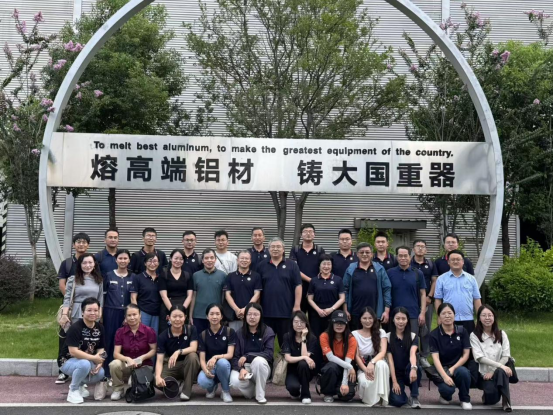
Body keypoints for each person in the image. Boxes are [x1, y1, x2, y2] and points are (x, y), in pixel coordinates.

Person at [56, 234, 92, 385]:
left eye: (84, 242)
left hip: (90, 309)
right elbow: (62, 285)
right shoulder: (67, 263)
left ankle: (83, 370)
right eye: (78, 242)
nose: (81, 244)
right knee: (66, 337)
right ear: (73, 245)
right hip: (71, 308)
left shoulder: (92, 261)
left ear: (88, 245)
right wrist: (71, 302)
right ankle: (63, 370)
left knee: (86, 339)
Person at [60, 298, 106, 404]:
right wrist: (94, 358)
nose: (93, 313)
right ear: (82, 312)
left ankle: (80, 385)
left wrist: (100, 362)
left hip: (86, 360)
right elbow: (73, 352)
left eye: (96, 310)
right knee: (85, 364)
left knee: (101, 373)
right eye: (89, 310)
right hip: (67, 361)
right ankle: (73, 390)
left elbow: (101, 349)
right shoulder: (75, 328)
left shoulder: (100, 328)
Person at [257, 238, 302, 346]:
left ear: (283, 249)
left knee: (286, 344)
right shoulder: (261, 266)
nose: (275, 249)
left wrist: (297, 306)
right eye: (273, 247)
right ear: (268, 249)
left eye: (278, 247)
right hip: (266, 312)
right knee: (265, 343)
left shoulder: (292, 265)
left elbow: (298, 285)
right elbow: (257, 288)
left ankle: (286, 358)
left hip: (286, 312)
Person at [109, 304, 157, 401]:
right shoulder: (120, 332)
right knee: (114, 364)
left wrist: (142, 358)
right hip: (128, 365)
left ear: (140, 315)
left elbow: (153, 350)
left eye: (135, 314)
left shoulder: (149, 331)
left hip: (144, 365)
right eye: (129, 315)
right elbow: (116, 354)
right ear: (125, 317)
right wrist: (127, 359)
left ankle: (133, 382)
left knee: (134, 383)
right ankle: (118, 389)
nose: (132, 318)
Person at [470, 305, 514, 412]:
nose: (487, 318)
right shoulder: (474, 335)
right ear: (479, 318)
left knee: (502, 371)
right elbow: (479, 358)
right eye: (484, 315)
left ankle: (506, 402)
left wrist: (494, 370)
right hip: (484, 374)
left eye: (490, 315)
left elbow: (505, 356)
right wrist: (499, 367)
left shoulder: (502, 334)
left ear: (494, 317)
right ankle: (489, 394)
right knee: (491, 399)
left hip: (499, 372)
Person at [430, 303, 473, 410]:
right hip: (442, 368)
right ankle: (445, 396)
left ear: (454, 314)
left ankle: (464, 399)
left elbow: (466, 354)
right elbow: (435, 358)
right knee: (447, 389)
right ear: (439, 316)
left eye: (450, 313)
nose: (447, 316)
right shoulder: (434, 334)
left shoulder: (462, 331)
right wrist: (445, 376)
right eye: (443, 313)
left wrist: (453, 368)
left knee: (464, 372)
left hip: (458, 366)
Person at [230, 303, 275, 404]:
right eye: (249, 314)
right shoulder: (239, 333)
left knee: (258, 361)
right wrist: (241, 369)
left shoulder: (268, 331)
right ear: (245, 316)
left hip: (261, 367)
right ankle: (253, 391)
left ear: (261, 316)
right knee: (234, 381)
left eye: (255, 314)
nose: (252, 317)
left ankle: (260, 395)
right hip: (244, 367)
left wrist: (247, 356)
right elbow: (235, 357)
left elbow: (269, 354)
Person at [155, 306, 201, 401]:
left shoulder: (191, 329)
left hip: (188, 364)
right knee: (155, 380)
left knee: (193, 356)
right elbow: (159, 360)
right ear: (169, 318)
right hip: (172, 365)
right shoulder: (163, 336)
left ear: (185, 317)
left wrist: (178, 352)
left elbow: (193, 348)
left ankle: (186, 391)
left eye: (180, 316)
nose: (177, 319)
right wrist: (158, 376)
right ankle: (175, 384)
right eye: (174, 316)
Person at [343, 242, 391, 331]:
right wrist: (345, 310)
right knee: (355, 337)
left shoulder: (379, 268)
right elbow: (345, 289)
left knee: (374, 337)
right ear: (357, 254)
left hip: (375, 311)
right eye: (362, 252)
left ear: (372, 254)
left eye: (367, 252)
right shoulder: (351, 268)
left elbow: (386, 289)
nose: (364, 254)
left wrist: (386, 311)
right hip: (355, 312)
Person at [434, 250, 482, 334]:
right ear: (448, 262)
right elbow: (438, 299)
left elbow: (476, 299)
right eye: (452, 260)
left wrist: (479, 317)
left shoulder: (471, 279)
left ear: (463, 262)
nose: (455, 261)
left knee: (469, 341)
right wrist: (439, 316)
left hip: (468, 319)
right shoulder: (441, 279)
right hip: (448, 319)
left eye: (458, 259)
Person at [102, 249, 133, 378]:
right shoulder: (109, 275)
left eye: (125, 258)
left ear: (129, 260)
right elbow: (103, 296)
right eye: (120, 258)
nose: (123, 261)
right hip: (111, 312)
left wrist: (128, 315)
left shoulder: (133, 277)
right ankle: (107, 372)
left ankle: (126, 371)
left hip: (127, 313)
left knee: (127, 340)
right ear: (116, 260)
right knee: (109, 340)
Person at [197, 304, 236, 403]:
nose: (214, 317)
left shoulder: (229, 332)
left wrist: (216, 357)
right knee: (202, 381)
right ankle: (212, 387)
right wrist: (206, 371)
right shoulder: (203, 335)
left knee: (222, 362)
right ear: (207, 316)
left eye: (217, 314)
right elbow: (202, 359)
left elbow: (230, 354)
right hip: (210, 367)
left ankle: (225, 391)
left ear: (221, 316)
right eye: (212, 314)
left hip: (225, 366)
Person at [353, 307, 390, 407]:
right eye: (364, 318)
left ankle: (382, 398)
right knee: (365, 383)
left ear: (374, 319)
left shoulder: (381, 332)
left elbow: (383, 352)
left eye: (370, 318)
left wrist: (372, 362)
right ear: (360, 319)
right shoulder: (354, 334)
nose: (367, 321)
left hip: (378, 366)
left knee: (381, 364)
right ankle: (372, 399)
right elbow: (356, 356)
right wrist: (366, 370)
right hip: (363, 368)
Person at [386, 307, 422, 409]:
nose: (401, 321)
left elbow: (412, 353)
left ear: (407, 320)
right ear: (393, 320)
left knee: (417, 368)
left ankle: (414, 396)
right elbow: (390, 361)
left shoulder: (413, 336)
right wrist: (394, 382)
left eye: (403, 319)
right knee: (397, 401)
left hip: (408, 372)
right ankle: (403, 396)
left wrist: (413, 368)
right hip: (395, 374)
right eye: (398, 318)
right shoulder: (387, 337)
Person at [411, 239, 439, 368]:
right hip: (411, 301)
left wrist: (430, 296)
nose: (420, 248)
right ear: (413, 249)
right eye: (418, 246)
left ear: (426, 250)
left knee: (425, 328)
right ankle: (413, 355)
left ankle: (424, 355)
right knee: (412, 330)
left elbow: (434, 281)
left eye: (423, 246)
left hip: (426, 301)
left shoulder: (430, 264)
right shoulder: (409, 262)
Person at [319, 310, 357, 403]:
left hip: (345, 368)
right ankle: (328, 393)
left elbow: (347, 362)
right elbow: (330, 357)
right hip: (331, 366)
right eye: (336, 322)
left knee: (347, 395)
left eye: (342, 323)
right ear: (332, 323)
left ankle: (338, 388)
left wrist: (344, 383)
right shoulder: (324, 336)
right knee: (331, 366)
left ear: (346, 324)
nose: (339, 325)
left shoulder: (351, 339)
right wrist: (350, 367)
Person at [281, 311, 319, 404]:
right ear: (292, 323)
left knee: (303, 364)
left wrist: (303, 338)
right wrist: (305, 358)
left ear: (306, 324)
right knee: (293, 388)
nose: (299, 325)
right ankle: (297, 390)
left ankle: (306, 395)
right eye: (296, 322)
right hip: (292, 370)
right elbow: (288, 358)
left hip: (306, 370)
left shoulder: (312, 338)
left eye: (302, 322)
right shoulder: (287, 336)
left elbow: (305, 357)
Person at [387, 246, 427, 335]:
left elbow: (423, 294)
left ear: (410, 257)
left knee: (413, 339)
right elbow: (386, 293)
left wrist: (422, 313)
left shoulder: (418, 273)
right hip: (394, 314)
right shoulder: (389, 273)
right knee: (395, 340)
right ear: (397, 257)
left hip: (413, 314)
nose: (403, 258)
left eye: (405, 256)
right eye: (400, 256)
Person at [307, 254, 346, 338]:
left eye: (329, 264)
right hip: (317, 313)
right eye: (324, 264)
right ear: (319, 265)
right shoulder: (314, 280)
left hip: (333, 313)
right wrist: (318, 310)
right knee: (316, 336)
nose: (326, 266)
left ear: (332, 266)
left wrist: (331, 309)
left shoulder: (338, 279)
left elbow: (342, 298)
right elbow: (310, 299)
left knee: (332, 336)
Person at [290, 223, 326, 313]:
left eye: (310, 231)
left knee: (315, 314)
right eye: (305, 231)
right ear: (301, 235)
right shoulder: (295, 250)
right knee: (299, 314)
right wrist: (310, 280)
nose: (308, 233)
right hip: (299, 287)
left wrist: (314, 282)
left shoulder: (320, 250)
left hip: (316, 287)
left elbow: (324, 268)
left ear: (314, 234)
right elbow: (294, 269)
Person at [60, 253, 104, 326]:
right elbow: (67, 298)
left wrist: (100, 312)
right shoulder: (73, 280)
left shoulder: (99, 280)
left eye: (90, 262)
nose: (87, 265)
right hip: (77, 312)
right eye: (84, 263)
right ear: (80, 265)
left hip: (93, 312)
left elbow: (100, 298)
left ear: (94, 264)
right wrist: (64, 314)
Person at [224, 250, 262, 332]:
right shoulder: (230, 276)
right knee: (234, 337)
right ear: (237, 260)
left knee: (250, 337)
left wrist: (246, 309)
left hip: (251, 315)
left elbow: (257, 294)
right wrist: (237, 310)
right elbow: (227, 295)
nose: (244, 260)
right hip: (234, 315)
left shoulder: (256, 276)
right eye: (242, 258)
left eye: (246, 258)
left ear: (250, 261)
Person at [190, 248, 227, 335]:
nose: (209, 260)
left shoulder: (223, 275)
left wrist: (223, 315)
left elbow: (225, 297)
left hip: (216, 316)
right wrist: (191, 315)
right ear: (202, 260)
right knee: (199, 339)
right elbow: (193, 296)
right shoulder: (195, 275)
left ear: (215, 259)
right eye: (206, 258)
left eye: (211, 258)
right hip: (198, 315)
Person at [159, 249, 193, 333]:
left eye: (181, 259)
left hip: (183, 307)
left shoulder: (187, 275)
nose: (178, 261)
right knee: (166, 333)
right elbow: (163, 296)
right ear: (171, 259)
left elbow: (190, 295)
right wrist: (172, 311)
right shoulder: (164, 274)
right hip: (167, 308)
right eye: (176, 258)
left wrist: (182, 310)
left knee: (182, 333)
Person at [130, 252, 162, 333]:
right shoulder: (138, 278)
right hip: (143, 312)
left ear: (158, 263)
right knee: (142, 336)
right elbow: (133, 297)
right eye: (150, 261)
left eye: (155, 261)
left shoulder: (161, 278)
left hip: (157, 313)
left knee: (154, 337)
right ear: (145, 263)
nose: (152, 263)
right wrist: (137, 314)